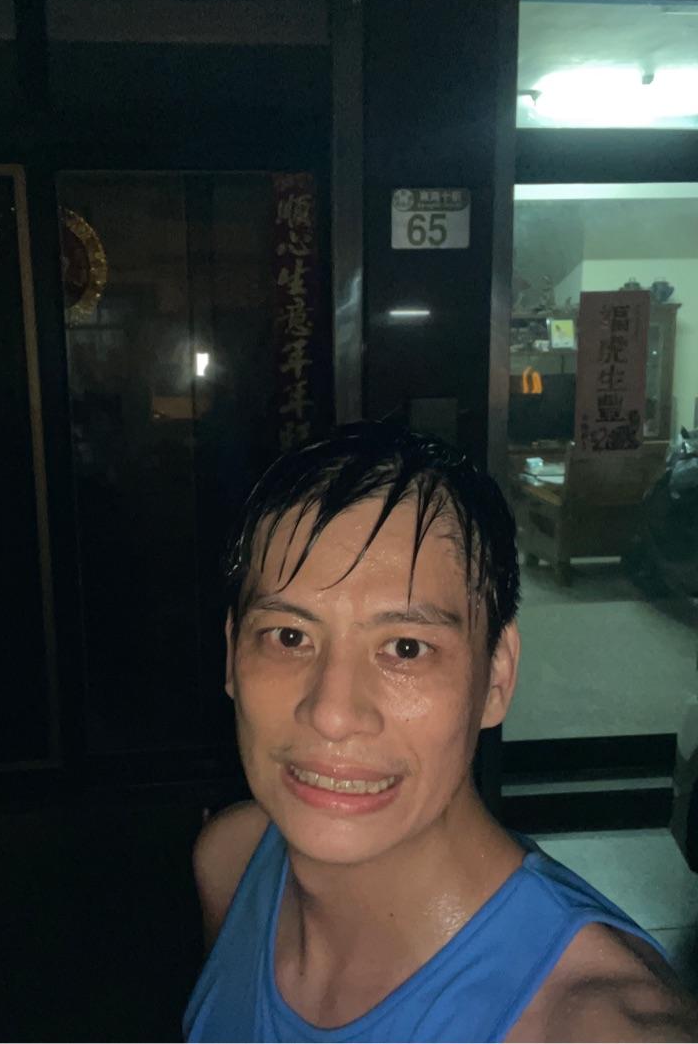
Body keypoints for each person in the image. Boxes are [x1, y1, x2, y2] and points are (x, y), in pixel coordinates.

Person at [184, 421, 698, 1042]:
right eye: (289, 637)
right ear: (231, 654)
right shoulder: (231, 860)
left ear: (496, 677)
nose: (332, 713)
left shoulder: (598, 1024)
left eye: (406, 647)